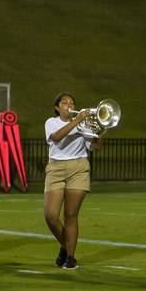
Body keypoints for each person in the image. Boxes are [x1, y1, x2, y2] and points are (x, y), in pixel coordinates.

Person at [44, 92, 103, 270]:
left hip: (78, 168)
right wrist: (77, 121)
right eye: (65, 103)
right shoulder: (51, 122)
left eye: (72, 102)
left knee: (71, 215)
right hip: (56, 168)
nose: (69, 105)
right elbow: (57, 137)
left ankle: (70, 257)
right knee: (51, 216)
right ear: (57, 107)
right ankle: (65, 245)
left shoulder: (84, 124)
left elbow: (97, 147)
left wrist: (99, 129)